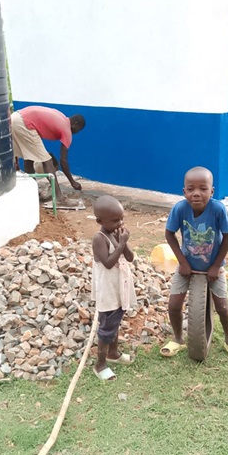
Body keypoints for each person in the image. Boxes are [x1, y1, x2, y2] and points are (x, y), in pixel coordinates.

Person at [160, 166, 228, 361]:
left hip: (213, 266)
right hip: (187, 265)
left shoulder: (218, 209)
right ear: (184, 192)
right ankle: (178, 339)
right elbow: (169, 234)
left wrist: (216, 266)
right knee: (174, 304)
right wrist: (182, 262)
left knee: (222, 306)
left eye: (203, 188)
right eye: (191, 189)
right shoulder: (179, 209)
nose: (196, 193)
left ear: (212, 191)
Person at [91, 195, 137, 380]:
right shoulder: (99, 238)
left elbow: (131, 257)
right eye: (115, 220)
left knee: (115, 322)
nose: (120, 223)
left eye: (121, 218)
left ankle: (113, 353)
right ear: (100, 221)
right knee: (107, 327)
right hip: (108, 290)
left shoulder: (115, 233)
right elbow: (109, 263)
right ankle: (100, 365)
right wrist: (121, 243)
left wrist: (122, 242)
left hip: (119, 287)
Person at [11, 105, 85, 200]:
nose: (77, 132)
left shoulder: (61, 116)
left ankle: (32, 192)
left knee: (29, 158)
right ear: (75, 123)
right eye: (78, 129)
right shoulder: (66, 130)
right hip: (24, 123)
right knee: (47, 161)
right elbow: (63, 161)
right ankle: (59, 198)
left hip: (15, 117)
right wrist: (72, 182)